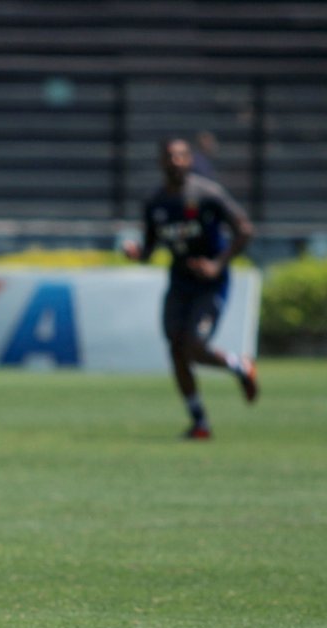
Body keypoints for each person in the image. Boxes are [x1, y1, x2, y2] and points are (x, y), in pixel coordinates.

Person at [123, 137, 258, 439]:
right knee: (175, 347)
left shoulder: (207, 194)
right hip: (180, 281)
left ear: (190, 161)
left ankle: (240, 367)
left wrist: (218, 264)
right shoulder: (155, 202)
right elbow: (150, 249)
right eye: (170, 156)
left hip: (210, 283)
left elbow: (245, 229)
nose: (176, 162)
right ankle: (199, 421)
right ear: (161, 161)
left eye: (182, 156)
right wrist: (136, 253)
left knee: (195, 346)